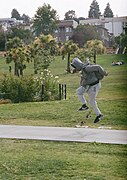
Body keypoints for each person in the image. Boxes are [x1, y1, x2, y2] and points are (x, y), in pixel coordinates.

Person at [71, 57, 108, 123]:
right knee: (79, 91)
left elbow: (98, 67)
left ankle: (99, 115)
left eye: (75, 67)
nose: (75, 69)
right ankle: (84, 105)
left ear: (78, 65)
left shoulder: (87, 68)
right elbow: (83, 81)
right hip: (90, 86)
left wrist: (104, 73)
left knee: (92, 101)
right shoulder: (83, 70)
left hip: (94, 86)